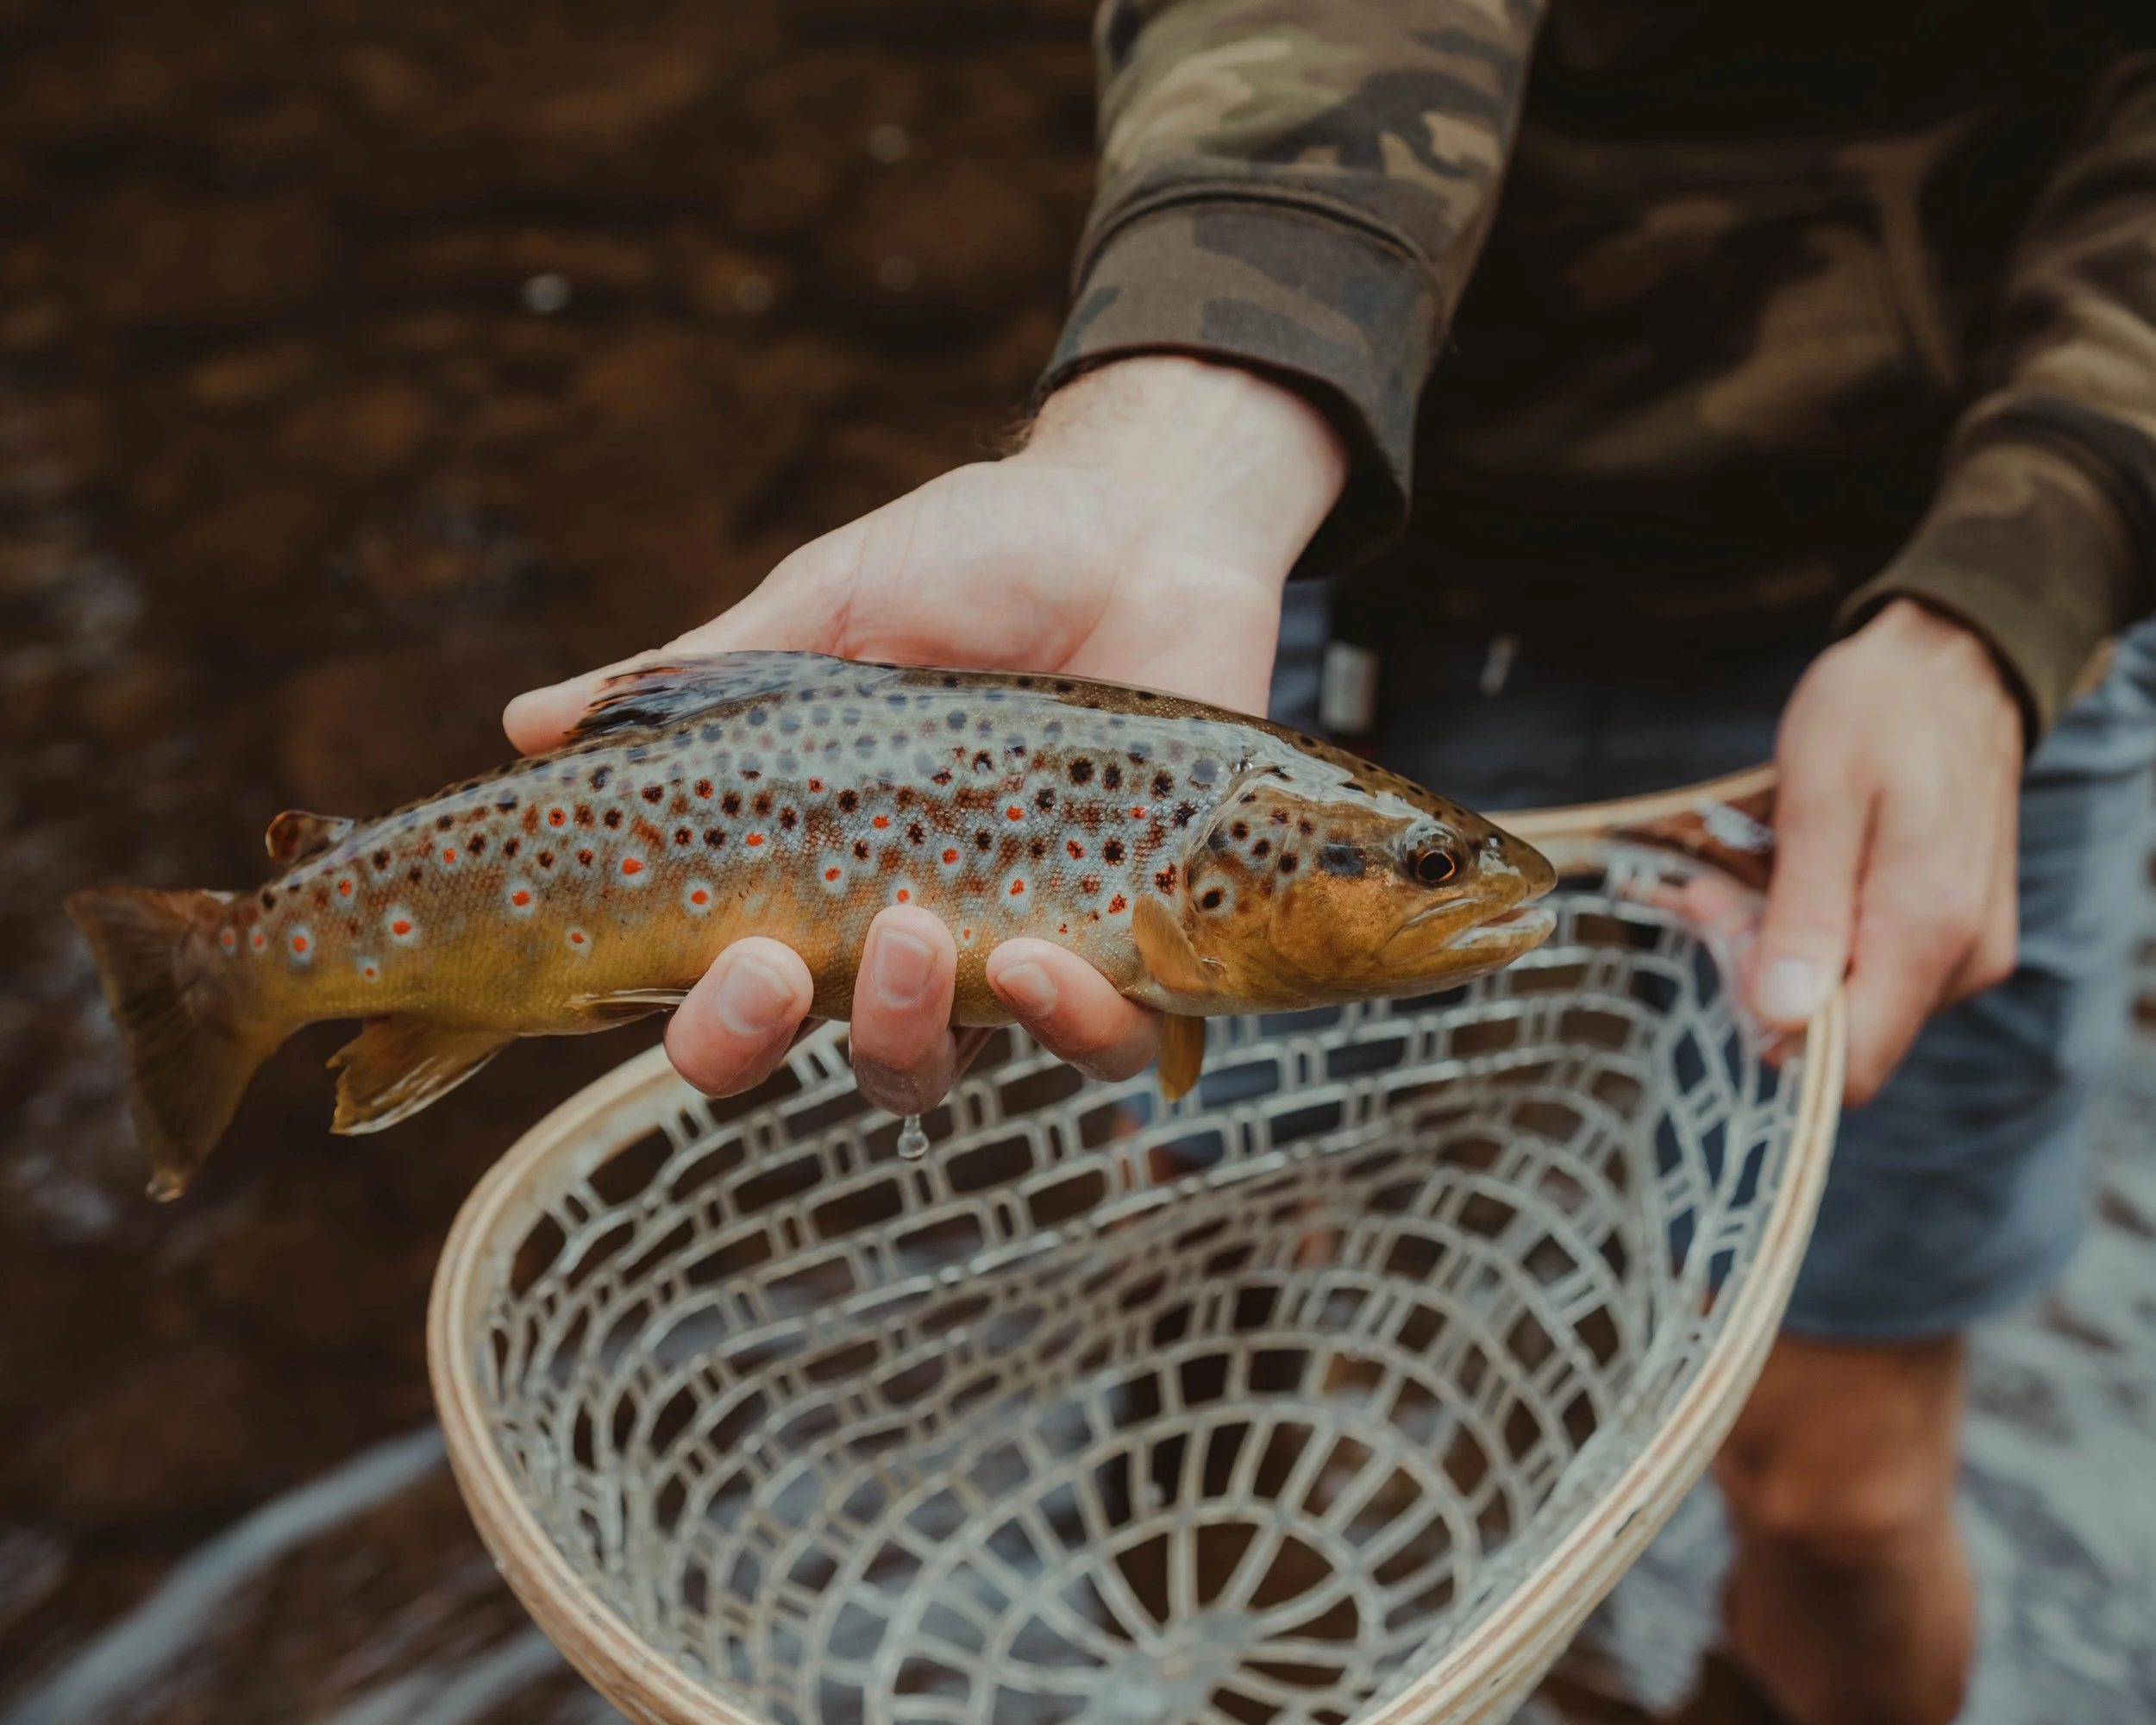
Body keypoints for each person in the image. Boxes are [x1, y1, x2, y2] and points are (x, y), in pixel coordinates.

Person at [505, 5, 2156, 1720]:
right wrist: (1183, 434)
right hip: (1344, 532)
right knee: (1228, 1362)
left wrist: (2017, 587)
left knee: (1841, 1493)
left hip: (1963, 568)